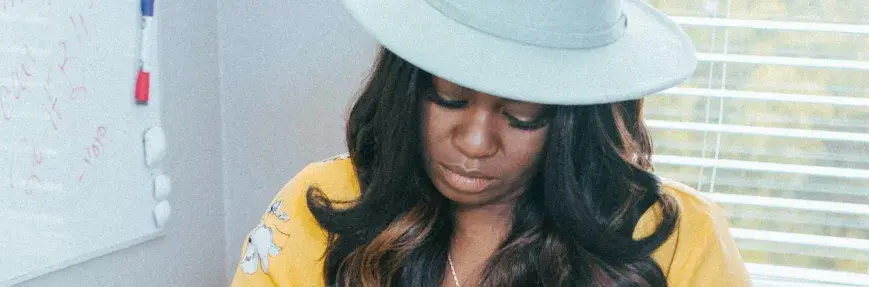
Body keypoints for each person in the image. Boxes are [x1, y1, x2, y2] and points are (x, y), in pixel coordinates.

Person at [230, 0, 751, 286]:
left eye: (522, 116)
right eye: (449, 99)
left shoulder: (678, 238)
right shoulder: (321, 209)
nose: (476, 142)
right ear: (406, 84)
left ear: (576, 119)